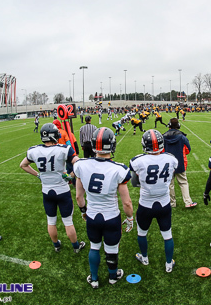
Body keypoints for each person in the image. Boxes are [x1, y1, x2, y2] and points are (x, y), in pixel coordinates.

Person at [73, 127, 133, 289]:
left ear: (93, 145)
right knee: (112, 248)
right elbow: (126, 202)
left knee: (94, 246)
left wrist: (84, 211)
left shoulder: (81, 165)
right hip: (111, 216)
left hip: (92, 215)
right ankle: (113, 277)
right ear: (112, 145)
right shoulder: (119, 169)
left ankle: (94, 279)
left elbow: (79, 197)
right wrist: (130, 218)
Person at [20, 123, 85, 253]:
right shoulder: (63, 149)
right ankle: (76, 246)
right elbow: (79, 164)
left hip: (46, 191)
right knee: (67, 221)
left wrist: (38, 174)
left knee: (51, 221)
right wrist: (70, 175)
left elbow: (23, 165)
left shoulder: (34, 150)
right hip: (62, 190)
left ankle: (56, 245)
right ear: (54, 135)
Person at [130, 130, 178, 272]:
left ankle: (144, 258)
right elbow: (171, 177)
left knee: (142, 232)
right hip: (164, 202)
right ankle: (169, 264)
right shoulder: (171, 159)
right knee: (167, 235)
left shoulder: (137, 161)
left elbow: (134, 183)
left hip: (145, 203)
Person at [163, 118, 195, 208]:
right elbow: (188, 150)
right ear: (178, 126)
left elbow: (161, 150)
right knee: (183, 182)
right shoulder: (182, 137)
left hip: (167, 163)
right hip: (180, 162)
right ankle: (188, 202)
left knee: (170, 184)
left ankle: (171, 203)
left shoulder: (163, 136)